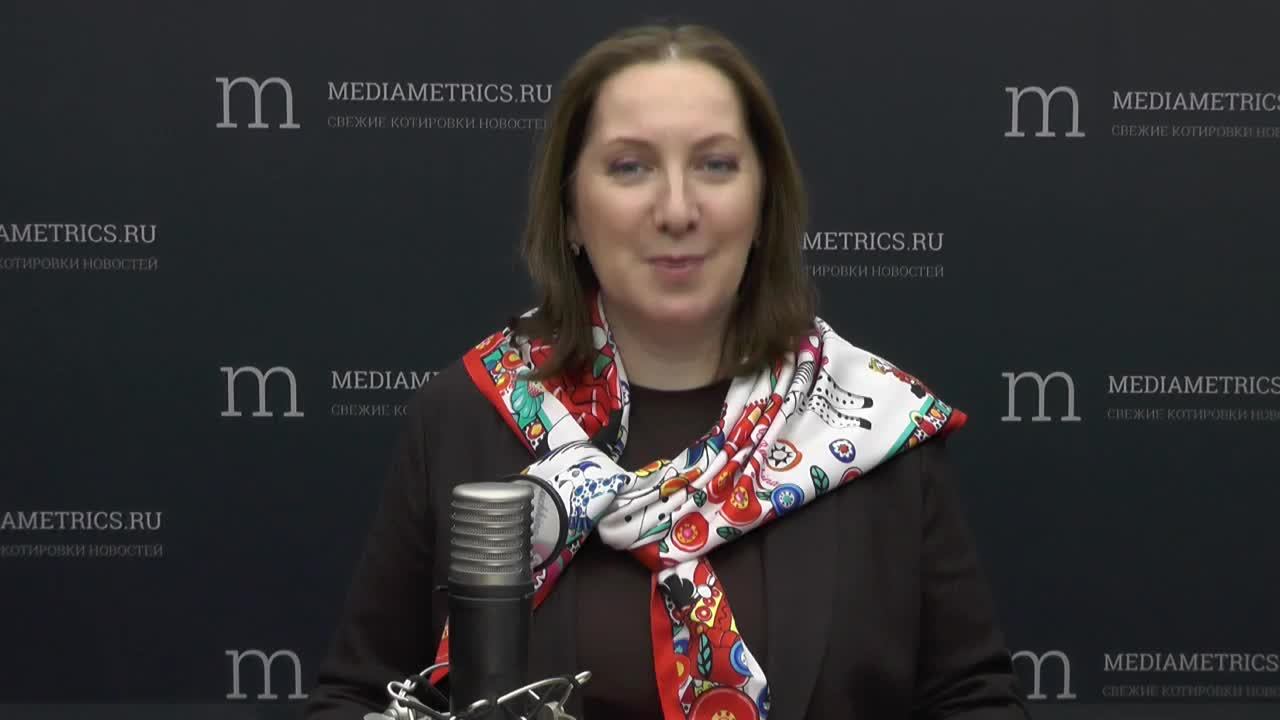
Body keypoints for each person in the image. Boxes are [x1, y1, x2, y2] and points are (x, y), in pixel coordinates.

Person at [303, 23, 1030, 720]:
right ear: (570, 213)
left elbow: (973, 701)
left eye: (715, 165)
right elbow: (356, 697)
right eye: (631, 167)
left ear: (763, 201)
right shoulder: (469, 415)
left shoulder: (874, 425)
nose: (678, 210)